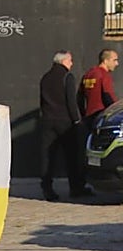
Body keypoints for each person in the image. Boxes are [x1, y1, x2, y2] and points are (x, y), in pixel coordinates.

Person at [39, 50, 90, 201]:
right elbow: (71, 101)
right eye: (70, 60)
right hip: (65, 122)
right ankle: (75, 187)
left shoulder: (45, 77)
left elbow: (42, 101)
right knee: (71, 156)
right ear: (63, 61)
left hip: (48, 120)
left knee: (48, 156)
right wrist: (76, 120)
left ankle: (47, 187)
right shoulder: (67, 76)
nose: (72, 63)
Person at [79, 48, 118, 131]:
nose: (117, 63)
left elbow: (79, 98)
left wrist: (83, 115)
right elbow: (107, 96)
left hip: (88, 117)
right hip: (101, 117)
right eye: (114, 60)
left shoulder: (88, 74)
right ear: (105, 61)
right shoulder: (104, 75)